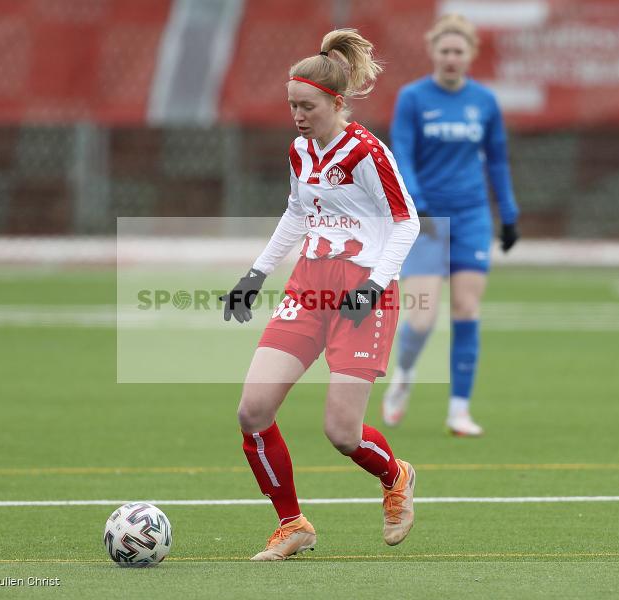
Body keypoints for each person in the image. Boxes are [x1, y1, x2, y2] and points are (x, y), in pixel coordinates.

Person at [220, 29, 421, 561]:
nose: (298, 115)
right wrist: (256, 273)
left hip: (363, 293)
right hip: (309, 288)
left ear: (336, 102)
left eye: (307, 106)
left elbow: (407, 223)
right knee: (252, 410)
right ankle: (292, 525)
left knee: (342, 431)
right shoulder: (300, 150)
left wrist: (375, 284)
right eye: (292, 106)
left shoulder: (367, 153)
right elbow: (296, 212)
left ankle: (395, 475)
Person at [381, 14, 520, 436]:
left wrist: (509, 215)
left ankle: (459, 410)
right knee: (421, 317)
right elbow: (400, 151)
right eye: (445, 51)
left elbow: (496, 159)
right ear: (433, 53)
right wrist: (417, 205)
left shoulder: (485, 102)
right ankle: (404, 373)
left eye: (459, 51)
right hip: (426, 219)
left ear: (471, 55)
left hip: (472, 216)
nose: (452, 58)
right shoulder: (413, 98)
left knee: (466, 309)